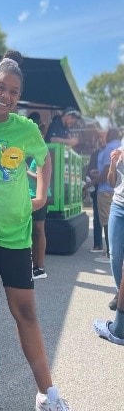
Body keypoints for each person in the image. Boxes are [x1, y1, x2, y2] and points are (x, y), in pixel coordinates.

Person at [0, 51, 84, 411]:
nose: (7, 96)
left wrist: (43, 194)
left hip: (16, 235)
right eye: (1, 88)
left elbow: (44, 160)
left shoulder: (26, 130)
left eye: (14, 92)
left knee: (25, 313)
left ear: (18, 97)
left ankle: (48, 394)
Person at [93, 146, 124, 342]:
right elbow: (113, 182)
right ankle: (119, 293)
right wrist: (113, 162)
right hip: (118, 205)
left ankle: (119, 327)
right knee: (115, 255)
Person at [26, 112, 50, 280]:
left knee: (38, 230)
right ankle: (31, 265)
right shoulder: (26, 150)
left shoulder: (42, 151)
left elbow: (41, 177)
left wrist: (25, 171)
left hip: (39, 198)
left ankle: (39, 266)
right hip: (26, 196)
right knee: (29, 232)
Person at [95, 128, 122, 265]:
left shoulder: (110, 148)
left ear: (109, 135)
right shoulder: (120, 146)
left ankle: (108, 252)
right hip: (118, 191)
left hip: (106, 190)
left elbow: (107, 170)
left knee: (106, 222)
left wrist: (90, 183)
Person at [85, 131, 107, 253]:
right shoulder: (95, 154)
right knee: (97, 217)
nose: (101, 140)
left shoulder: (109, 152)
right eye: (99, 138)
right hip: (96, 188)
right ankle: (98, 245)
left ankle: (109, 249)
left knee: (106, 218)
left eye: (103, 138)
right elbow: (89, 171)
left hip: (107, 188)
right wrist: (90, 176)